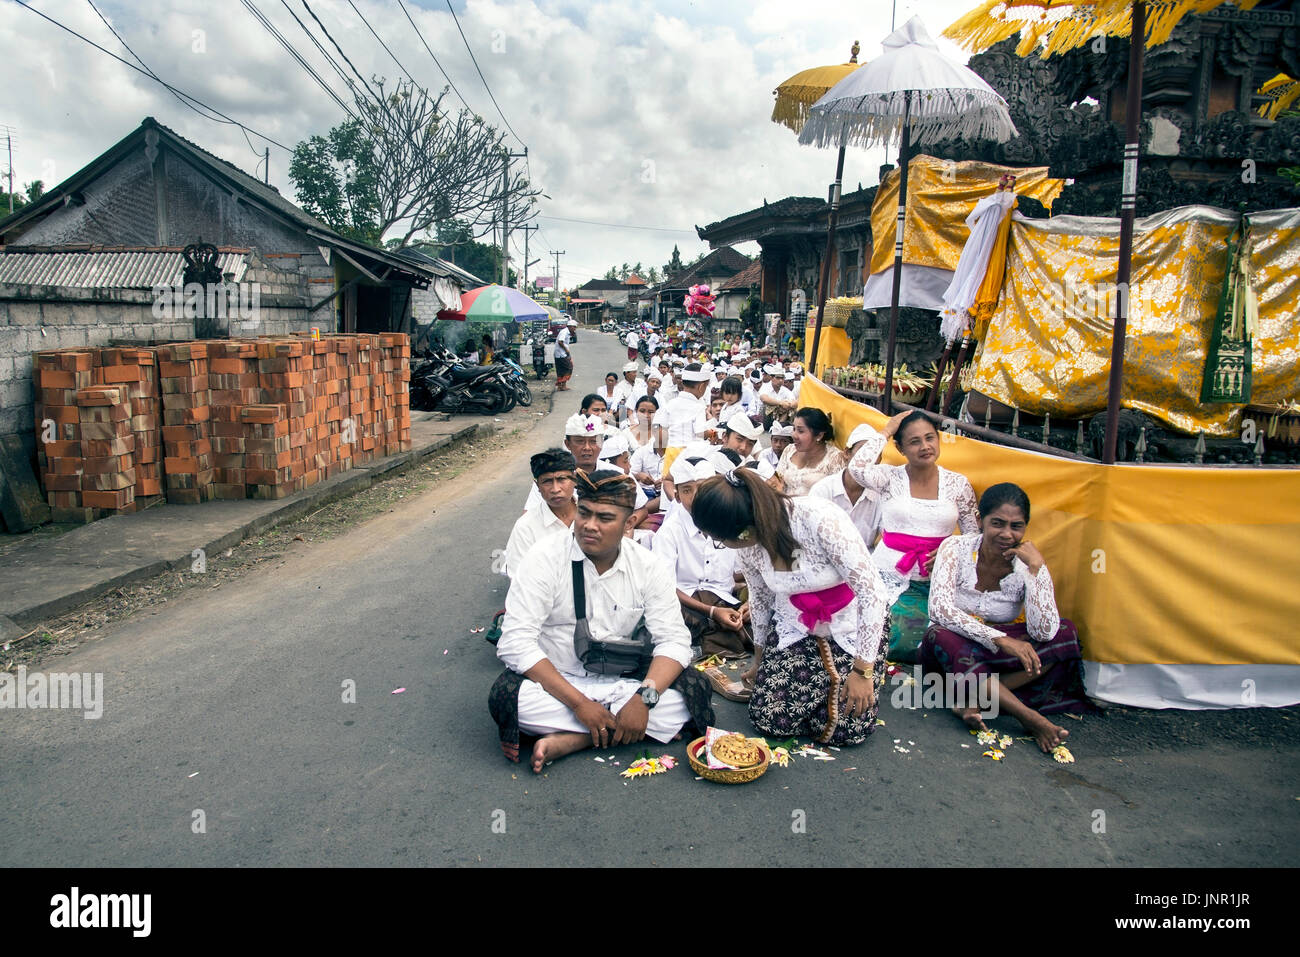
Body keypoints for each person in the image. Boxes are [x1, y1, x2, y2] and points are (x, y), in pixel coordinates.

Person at [489, 470, 714, 771]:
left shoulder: (648, 566)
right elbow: (515, 643)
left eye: (605, 518)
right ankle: (616, 727)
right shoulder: (543, 558)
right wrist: (580, 704)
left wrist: (644, 700)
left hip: (626, 682)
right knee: (509, 699)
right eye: (584, 513)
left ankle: (575, 738)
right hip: (558, 682)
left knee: (693, 689)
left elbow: (673, 641)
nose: (589, 526)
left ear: (630, 522)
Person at [690, 468, 890, 745]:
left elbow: (872, 594)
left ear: (746, 529)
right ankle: (821, 684)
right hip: (796, 623)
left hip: (852, 623)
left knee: (847, 730)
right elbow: (760, 599)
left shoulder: (818, 518)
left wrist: (862, 672)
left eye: (722, 540)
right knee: (769, 718)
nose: (722, 545)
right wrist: (759, 660)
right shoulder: (748, 546)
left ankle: (836, 681)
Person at [921, 482, 1092, 752]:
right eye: (997, 523)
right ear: (980, 520)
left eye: (1016, 526)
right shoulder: (954, 548)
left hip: (991, 657)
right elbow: (940, 610)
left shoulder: (1028, 562)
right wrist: (1000, 639)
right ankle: (1029, 717)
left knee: (1065, 633)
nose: (1007, 534)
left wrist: (1037, 570)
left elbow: (1043, 632)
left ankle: (975, 697)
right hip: (954, 648)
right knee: (938, 634)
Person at [846, 410, 978, 662]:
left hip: (939, 582)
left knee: (951, 638)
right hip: (890, 577)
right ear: (901, 448)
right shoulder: (888, 477)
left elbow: (974, 535)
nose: (925, 446)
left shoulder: (958, 484)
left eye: (930, 438)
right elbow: (857, 468)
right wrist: (886, 430)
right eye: (914, 441)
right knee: (892, 639)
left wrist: (950, 548)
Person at [653, 455, 753, 690]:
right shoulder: (670, 533)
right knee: (680, 620)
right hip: (686, 603)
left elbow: (741, 573)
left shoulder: (728, 522)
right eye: (688, 490)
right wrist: (712, 611)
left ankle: (717, 640)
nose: (697, 496)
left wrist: (752, 603)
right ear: (677, 496)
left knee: (761, 616)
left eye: (703, 488)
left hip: (723, 600)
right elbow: (666, 589)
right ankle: (707, 644)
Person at [503, 449, 578, 577]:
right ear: (537, 485)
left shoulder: (593, 513)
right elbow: (519, 579)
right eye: (547, 481)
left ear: (575, 479)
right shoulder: (526, 527)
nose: (555, 489)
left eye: (561, 479)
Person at [808, 424, 882, 547]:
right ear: (847, 453)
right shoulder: (822, 490)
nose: (869, 459)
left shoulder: (880, 496)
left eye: (875, 453)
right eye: (863, 452)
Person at [523, 413, 603, 512]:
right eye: (580, 441)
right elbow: (528, 515)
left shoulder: (616, 474)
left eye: (593, 441)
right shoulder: (548, 477)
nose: (587, 447)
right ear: (567, 444)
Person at [773, 408, 848, 497]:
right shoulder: (789, 450)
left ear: (819, 435)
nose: (794, 435)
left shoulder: (835, 458)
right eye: (794, 429)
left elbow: (839, 496)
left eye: (800, 431)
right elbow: (776, 481)